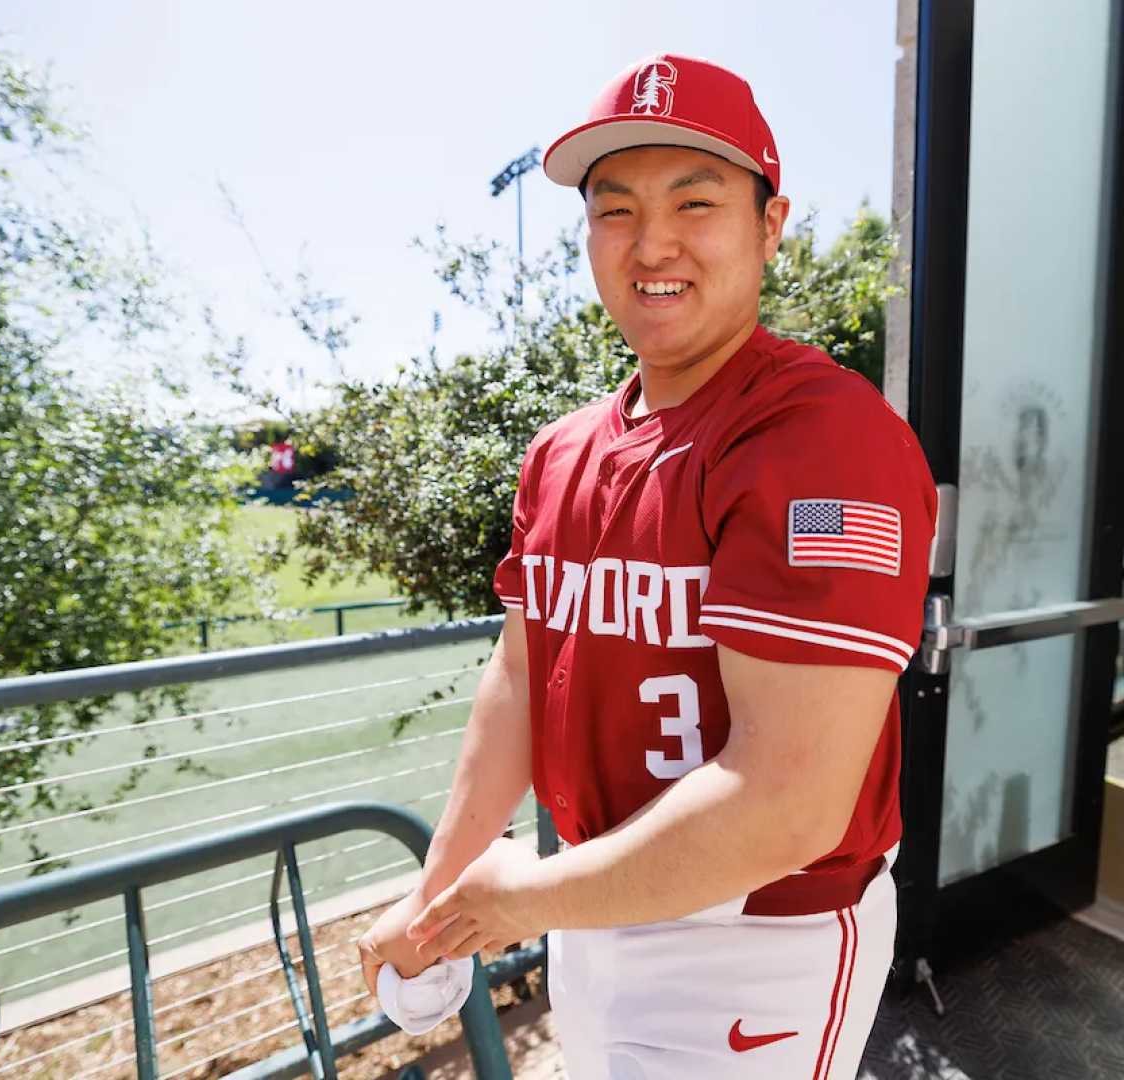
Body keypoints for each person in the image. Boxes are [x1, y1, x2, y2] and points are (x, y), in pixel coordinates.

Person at [356, 53, 936, 1079]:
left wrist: (515, 900)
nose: (652, 242)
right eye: (614, 210)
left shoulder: (827, 434)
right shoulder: (562, 450)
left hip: (761, 942)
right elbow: (521, 679)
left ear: (770, 224)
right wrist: (437, 895)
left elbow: (790, 805)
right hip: (595, 905)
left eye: (696, 201)